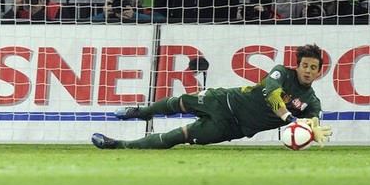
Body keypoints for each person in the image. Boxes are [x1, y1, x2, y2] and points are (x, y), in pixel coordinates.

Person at [92, 44, 333, 149]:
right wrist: (291, 119)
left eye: (313, 68)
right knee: (181, 102)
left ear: (319, 72)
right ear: (297, 65)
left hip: (231, 128)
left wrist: (312, 129)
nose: (308, 71)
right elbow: (270, 92)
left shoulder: (311, 102)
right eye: (305, 66)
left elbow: (313, 120)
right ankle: (141, 112)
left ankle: (118, 145)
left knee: (177, 136)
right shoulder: (281, 71)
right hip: (225, 100)